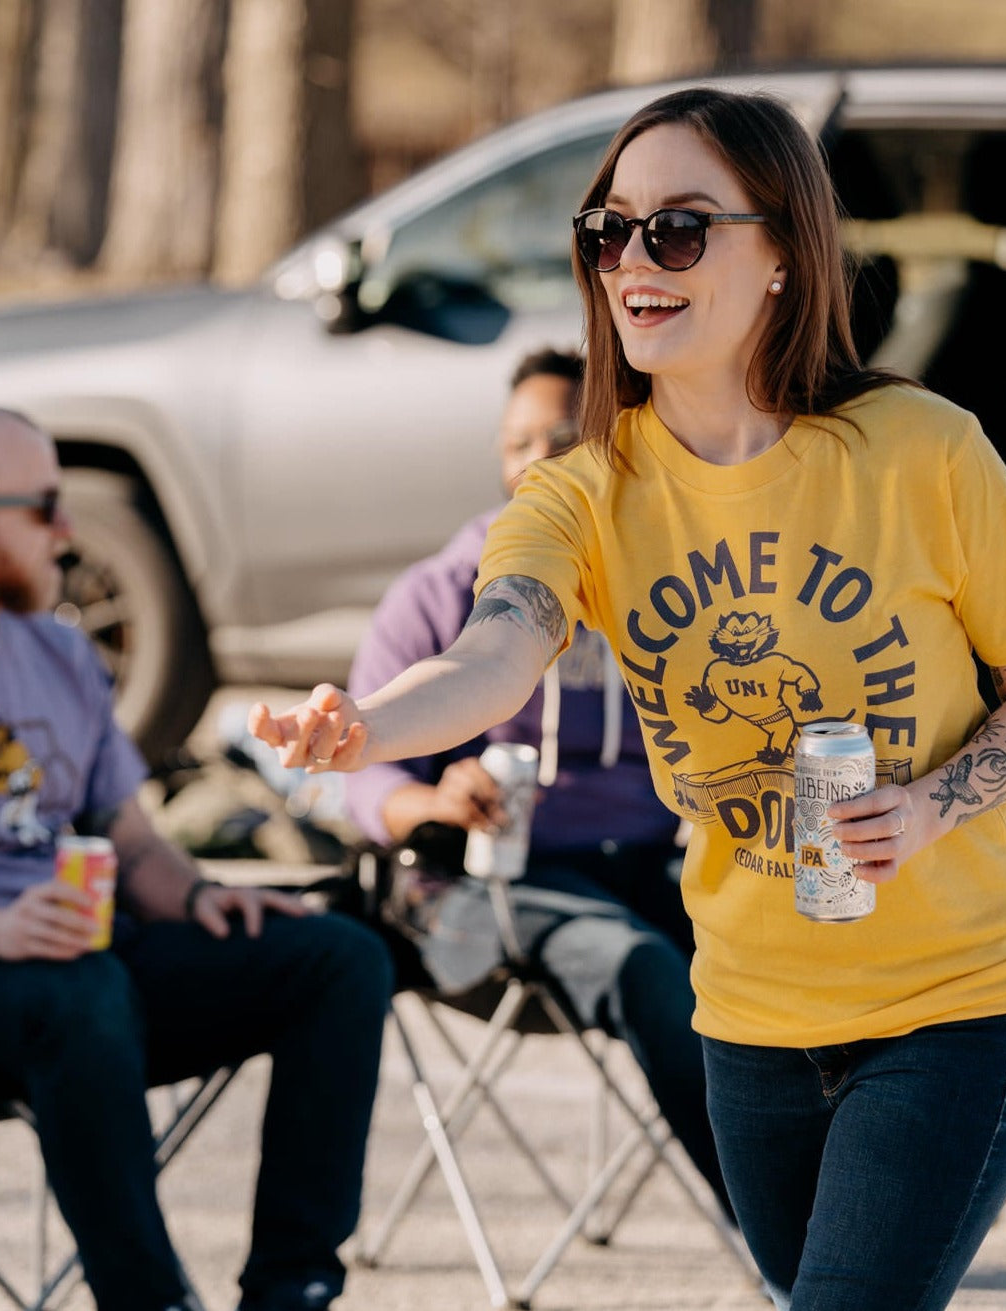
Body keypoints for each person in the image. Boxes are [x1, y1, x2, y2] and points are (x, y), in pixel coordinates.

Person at [252, 86, 1006, 1311]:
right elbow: (494, 654)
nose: (633, 260)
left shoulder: (922, 450)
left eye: (681, 229)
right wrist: (367, 728)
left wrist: (928, 810)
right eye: (610, 230)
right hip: (748, 1020)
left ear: (783, 260)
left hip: (962, 1007)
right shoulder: (583, 494)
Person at [0, 406, 394, 1311]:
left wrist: (201, 894)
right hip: (19, 984)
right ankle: (151, 1300)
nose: (68, 528)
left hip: (82, 972)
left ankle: (291, 1290)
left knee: (338, 958)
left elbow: (126, 836)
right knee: (81, 987)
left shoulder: (59, 653)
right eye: (43, 506)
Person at [343, 346, 728, 1213]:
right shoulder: (442, 590)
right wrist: (435, 802)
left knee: (794, 939)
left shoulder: (677, 577)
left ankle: (865, 1196)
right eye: (517, 443)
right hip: (490, 882)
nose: (537, 462)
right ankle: (794, 1240)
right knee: (644, 969)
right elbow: (365, 785)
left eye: (562, 437)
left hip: (645, 860)